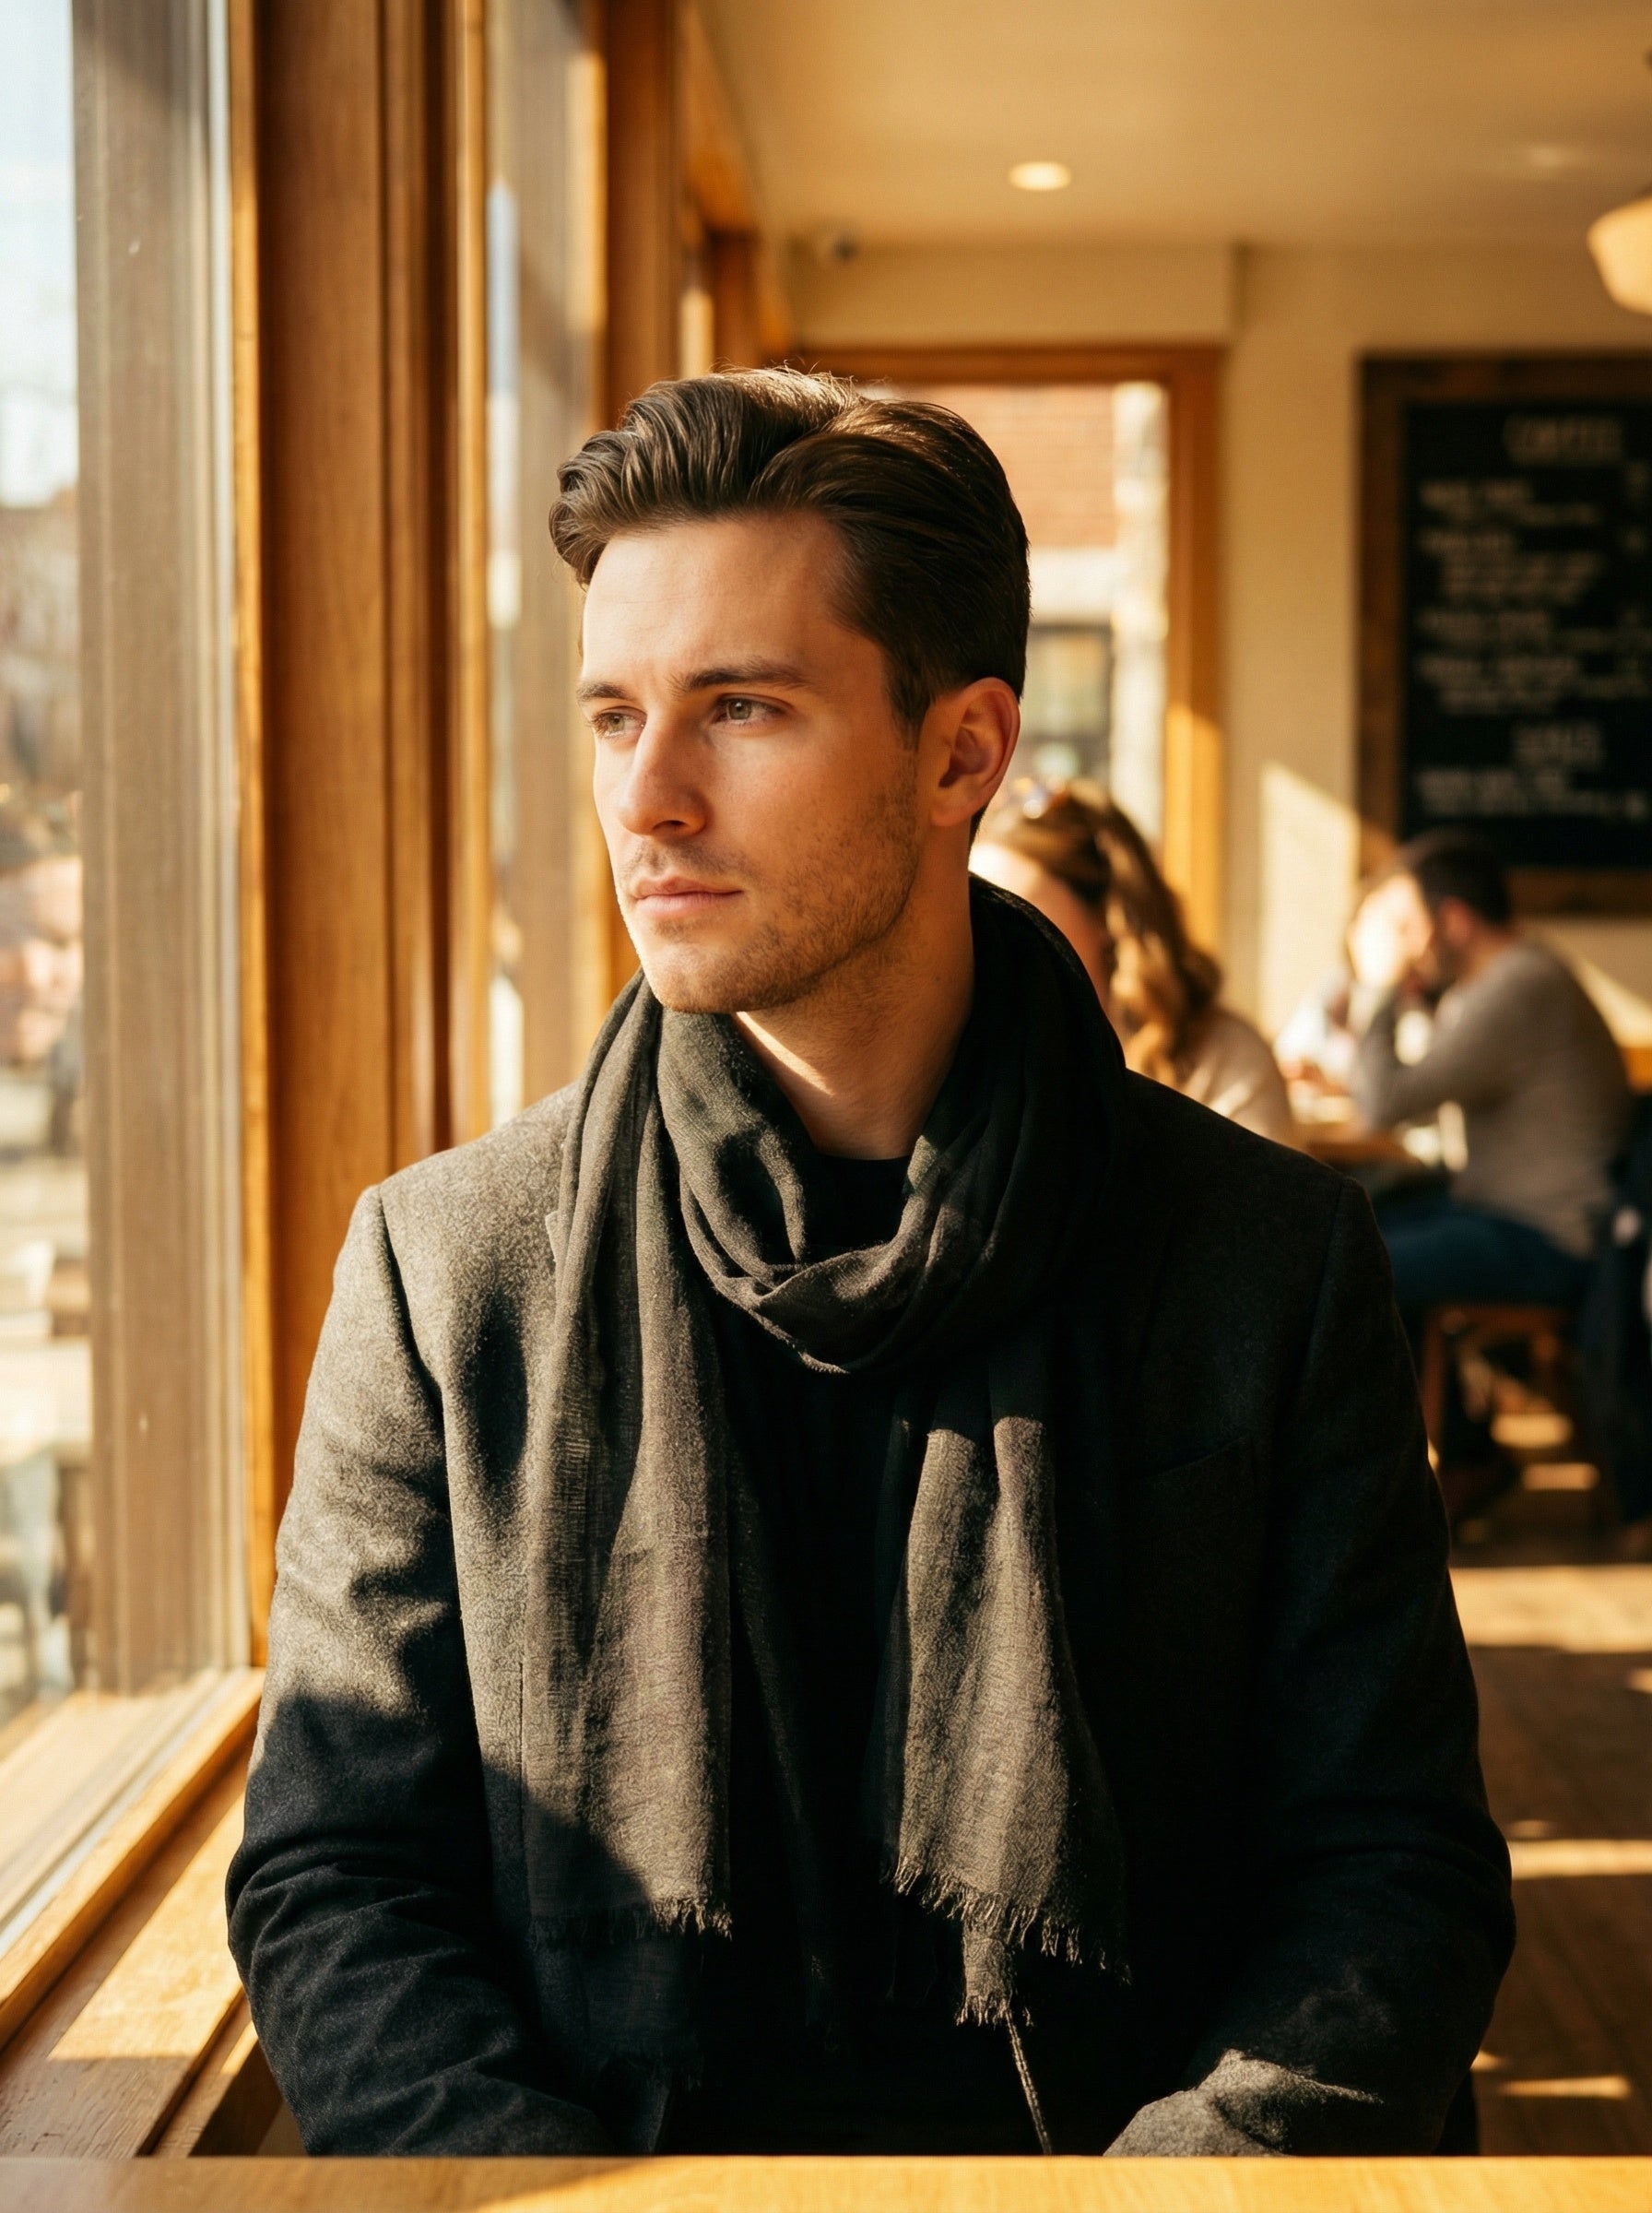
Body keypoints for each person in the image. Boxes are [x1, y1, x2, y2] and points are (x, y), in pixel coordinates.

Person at [227, 370, 1512, 2160]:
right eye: (611, 718)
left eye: (736, 708)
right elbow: (339, 1868)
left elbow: (1388, 1863)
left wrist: (1168, 2201)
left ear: (960, 753)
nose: (647, 800)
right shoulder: (446, 1277)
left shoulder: (1260, 1262)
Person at [1350, 830, 1632, 1321]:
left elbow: (1382, 1104)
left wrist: (1377, 985)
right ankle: (1435, 1400)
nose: (1404, 946)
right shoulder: (1496, 983)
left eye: (1405, 926)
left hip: (1549, 1237)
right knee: (1347, 1230)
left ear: (1454, 920)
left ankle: (1418, 1400)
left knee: (1352, 1267)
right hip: (1501, 1215)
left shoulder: (1519, 985)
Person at [972, 778, 1297, 1145]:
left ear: (1109, 919)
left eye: (1021, 910)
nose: (991, 936)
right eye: (977, 913)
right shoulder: (976, 1056)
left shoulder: (1226, 1060)